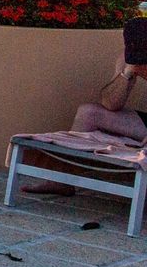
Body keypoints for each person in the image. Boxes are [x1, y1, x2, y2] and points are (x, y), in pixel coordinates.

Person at [22, 55, 147, 194]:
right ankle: (61, 180)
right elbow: (110, 103)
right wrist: (127, 73)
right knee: (87, 113)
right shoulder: (131, 54)